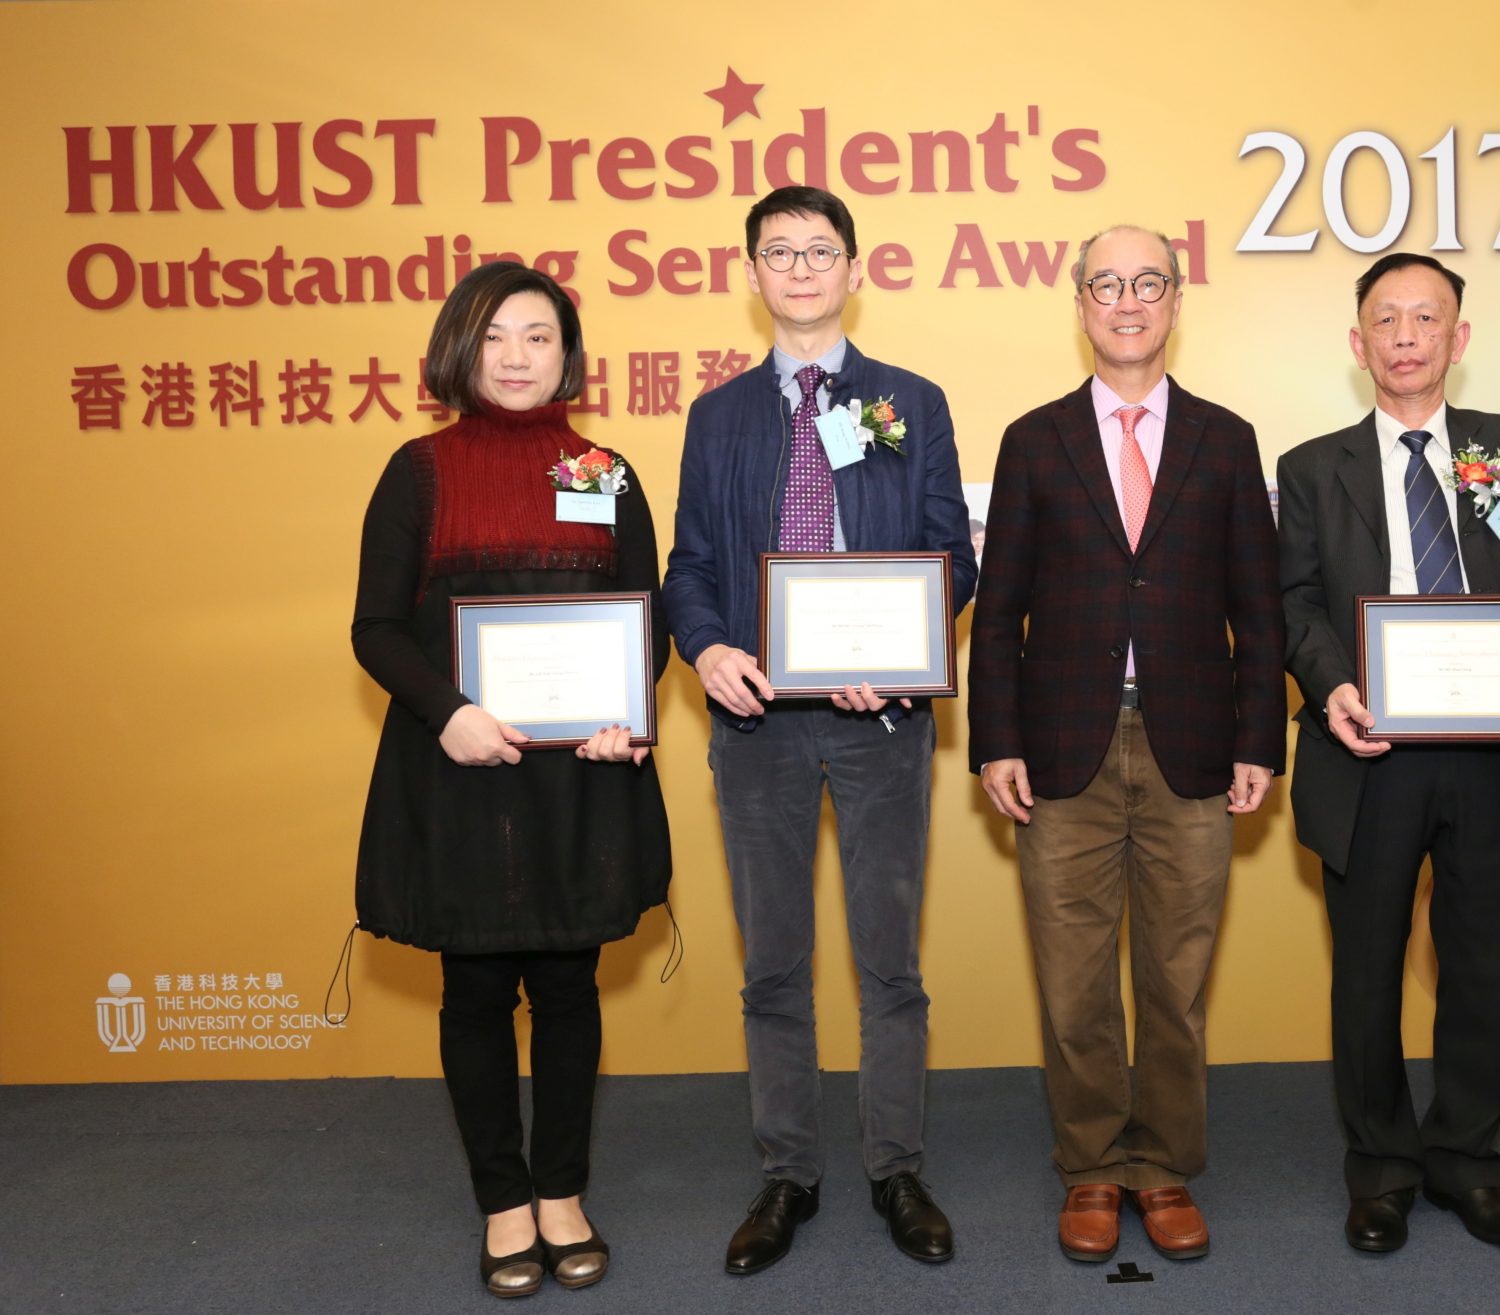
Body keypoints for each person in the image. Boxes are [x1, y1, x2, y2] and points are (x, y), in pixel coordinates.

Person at [663, 186, 976, 1273]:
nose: (800, 268)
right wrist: (707, 648)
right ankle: (787, 1172)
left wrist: (896, 652)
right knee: (774, 965)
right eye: (779, 252)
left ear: (855, 268)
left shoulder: (911, 401)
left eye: (820, 250)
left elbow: (953, 554)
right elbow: (690, 565)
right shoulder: (718, 417)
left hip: (880, 721)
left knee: (889, 964)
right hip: (757, 725)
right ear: (751, 274)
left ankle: (897, 1168)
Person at [352, 261, 669, 1297]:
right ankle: (502, 1200)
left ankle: (562, 1191)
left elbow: (647, 620)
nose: (517, 357)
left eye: (538, 336)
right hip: (460, 765)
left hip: (578, 776)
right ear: (459, 348)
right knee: (477, 990)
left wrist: (624, 714)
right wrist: (451, 713)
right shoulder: (418, 471)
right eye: (494, 336)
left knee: (569, 988)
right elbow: (376, 627)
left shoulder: (603, 471)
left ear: (567, 355)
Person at [969, 225, 1285, 1263]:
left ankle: (1163, 1164)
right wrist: (994, 740)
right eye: (1106, 284)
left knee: (1175, 979)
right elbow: (998, 609)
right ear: (1080, 305)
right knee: (1072, 983)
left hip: (1195, 746)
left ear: (1175, 300)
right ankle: (1092, 1164)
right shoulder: (1034, 439)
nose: (1128, 300)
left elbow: (1258, 607)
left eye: (1148, 281)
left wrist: (1259, 738)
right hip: (1064, 747)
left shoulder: (1225, 439)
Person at [1277, 253, 1500, 1253]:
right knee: (1366, 973)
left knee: (1481, 967)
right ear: (1357, 342)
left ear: (1458, 338)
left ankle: (1464, 1159)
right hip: (1366, 748)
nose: (1406, 336)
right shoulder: (1309, 466)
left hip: (1494, 749)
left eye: (1426, 318)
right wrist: (1331, 683)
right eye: (1387, 320)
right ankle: (1379, 1168)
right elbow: (1293, 602)